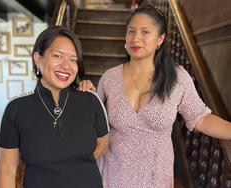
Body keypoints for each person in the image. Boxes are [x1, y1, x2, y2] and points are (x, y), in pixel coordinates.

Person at [79, 4, 231, 188]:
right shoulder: (110, 77)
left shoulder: (177, 77)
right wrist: (86, 95)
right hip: (112, 177)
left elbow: (201, 118)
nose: (136, 38)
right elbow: (93, 123)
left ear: (160, 39)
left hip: (155, 179)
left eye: (145, 32)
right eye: (131, 31)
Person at [0, 26, 109, 188]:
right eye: (57, 56)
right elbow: (7, 169)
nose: (66, 66)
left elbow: (102, 144)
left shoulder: (90, 100)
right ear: (37, 59)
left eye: (73, 59)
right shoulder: (16, 108)